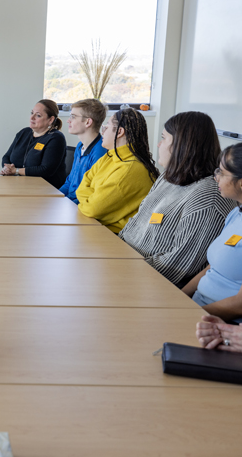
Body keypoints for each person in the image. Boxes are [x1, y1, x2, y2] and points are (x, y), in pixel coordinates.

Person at [119, 112, 236, 288]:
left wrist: (122, 271)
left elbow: (178, 266)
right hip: (125, 261)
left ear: (182, 145)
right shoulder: (169, 175)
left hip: (150, 283)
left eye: (163, 138)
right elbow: (135, 225)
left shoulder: (209, 196)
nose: (158, 144)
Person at [180, 143, 242, 322]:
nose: (216, 178)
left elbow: (239, 305)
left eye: (222, 173)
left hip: (219, 321)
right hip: (198, 308)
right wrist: (177, 298)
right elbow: (212, 268)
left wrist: (189, 313)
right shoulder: (235, 214)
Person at [76, 107, 159, 233]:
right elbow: (82, 186)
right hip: (95, 225)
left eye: (106, 127)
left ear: (119, 132)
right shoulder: (110, 156)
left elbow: (92, 209)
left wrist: (89, 199)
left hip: (116, 237)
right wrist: (90, 199)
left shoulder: (130, 169)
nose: (102, 132)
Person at [0, 99, 67, 188]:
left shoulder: (56, 138)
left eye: (38, 115)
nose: (32, 118)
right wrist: (7, 168)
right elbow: (6, 157)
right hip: (17, 186)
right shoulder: (24, 133)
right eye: (32, 113)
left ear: (50, 120)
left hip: (44, 190)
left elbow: (45, 170)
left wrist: (16, 171)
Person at [58, 99, 108, 202]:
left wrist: (66, 204)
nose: (68, 120)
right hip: (69, 202)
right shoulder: (80, 146)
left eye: (73, 116)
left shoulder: (100, 152)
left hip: (80, 207)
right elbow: (70, 182)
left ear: (88, 122)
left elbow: (91, 193)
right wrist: (56, 197)